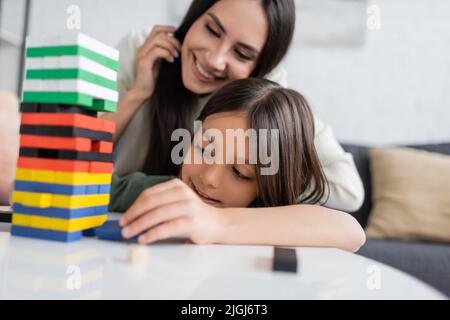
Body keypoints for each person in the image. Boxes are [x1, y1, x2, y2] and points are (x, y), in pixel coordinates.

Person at [101, 0, 365, 212]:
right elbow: (73, 156)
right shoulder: (143, 50)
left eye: (241, 54)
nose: (215, 59)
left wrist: (267, 176)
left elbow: (348, 190)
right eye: (212, 30)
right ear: (195, 15)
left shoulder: (268, 98)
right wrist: (137, 93)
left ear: (262, 67)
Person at [109, 78, 366, 252]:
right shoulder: (167, 196)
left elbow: (352, 232)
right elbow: (79, 185)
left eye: (239, 172)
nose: (209, 177)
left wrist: (216, 222)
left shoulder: (275, 214)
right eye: (204, 149)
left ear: (268, 185)